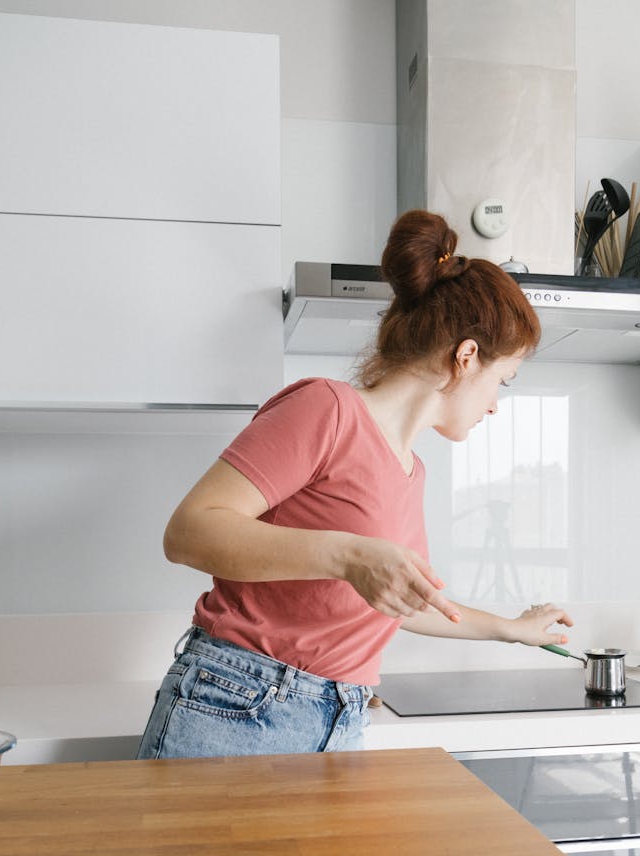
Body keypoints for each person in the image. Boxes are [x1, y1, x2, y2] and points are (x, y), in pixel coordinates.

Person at [136, 209, 573, 760]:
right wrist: (350, 556)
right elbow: (188, 532)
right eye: (501, 380)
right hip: (240, 699)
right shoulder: (328, 409)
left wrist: (512, 629)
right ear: (466, 357)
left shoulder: (412, 469)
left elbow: (394, 602)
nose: (494, 405)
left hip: (336, 715)